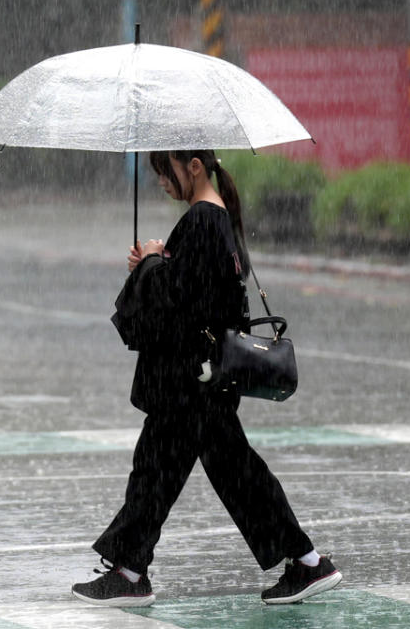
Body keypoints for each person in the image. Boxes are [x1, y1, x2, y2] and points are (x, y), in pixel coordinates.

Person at [71, 149, 342, 608]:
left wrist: (152, 264)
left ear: (193, 166)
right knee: (204, 471)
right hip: (201, 378)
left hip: (189, 380)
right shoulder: (219, 219)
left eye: (165, 170)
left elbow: (181, 302)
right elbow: (202, 294)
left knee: (164, 471)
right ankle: (304, 562)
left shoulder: (202, 219)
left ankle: (132, 573)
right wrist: (155, 265)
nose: (161, 181)